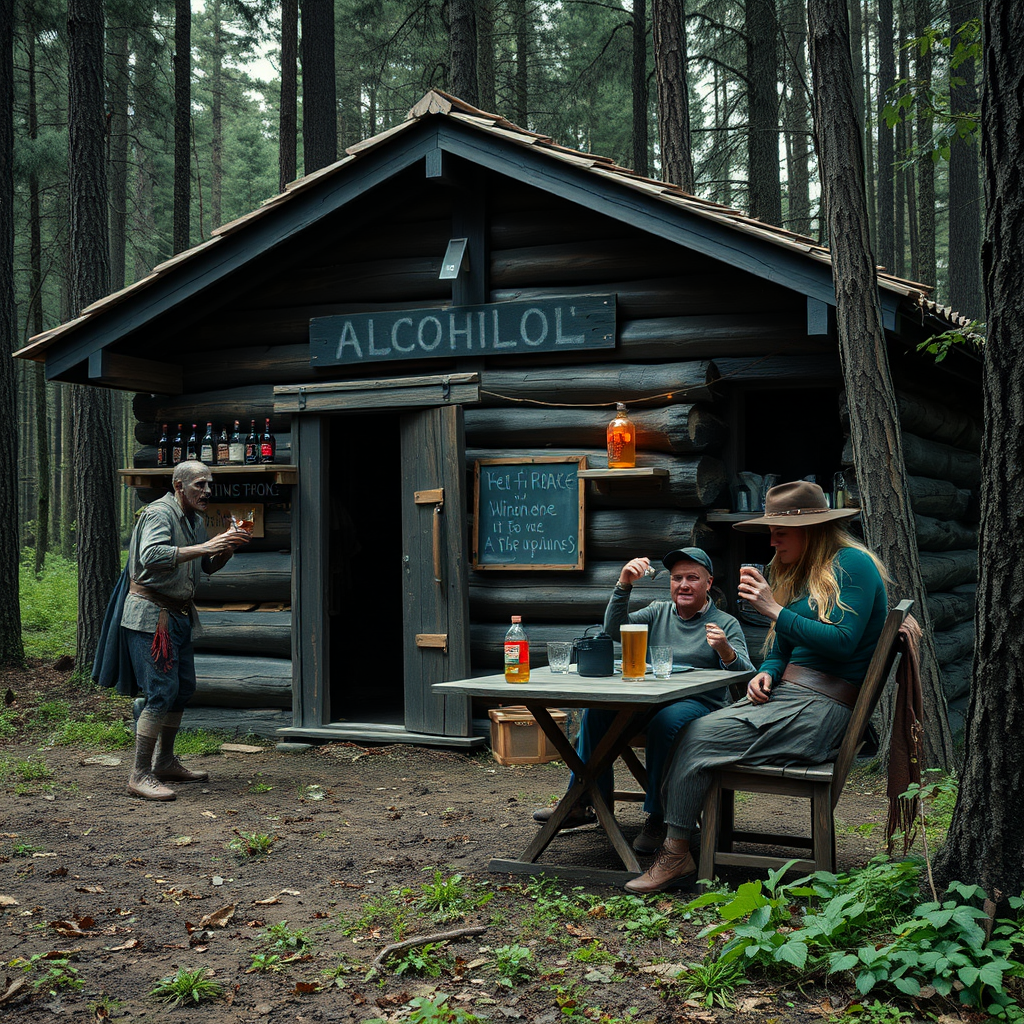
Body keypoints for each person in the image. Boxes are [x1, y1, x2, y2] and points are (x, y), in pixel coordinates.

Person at [624, 480, 889, 893]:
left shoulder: (852, 565)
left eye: (780, 532)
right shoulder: (800, 571)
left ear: (812, 529)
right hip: (790, 694)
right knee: (694, 728)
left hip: (823, 707)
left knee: (696, 733)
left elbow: (842, 642)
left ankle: (676, 853)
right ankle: (679, 839)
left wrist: (772, 608)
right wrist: (769, 669)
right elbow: (783, 646)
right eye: (771, 531)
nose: (772, 540)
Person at [533, 547, 754, 853]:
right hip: (649, 701)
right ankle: (584, 802)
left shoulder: (725, 622)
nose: (684, 585)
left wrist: (726, 652)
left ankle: (658, 817)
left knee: (667, 722)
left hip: (701, 705)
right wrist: (624, 584)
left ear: (708, 583)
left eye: (693, 578)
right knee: (596, 714)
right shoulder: (657, 611)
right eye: (677, 578)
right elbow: (612, 631)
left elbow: (747, 672)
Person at [122, 461, 250, 801]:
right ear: (179, 486)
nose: (206, 490)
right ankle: (139, 774)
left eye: (209, 484)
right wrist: (208, 546)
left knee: (182, 689)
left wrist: (226, 547)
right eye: (199, 485)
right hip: (152, 616)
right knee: (161, 692)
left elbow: (204, 564)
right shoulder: (159, 513)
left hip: (178, 616)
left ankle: (164, 762)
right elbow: (151, 555)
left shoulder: (192, 518)